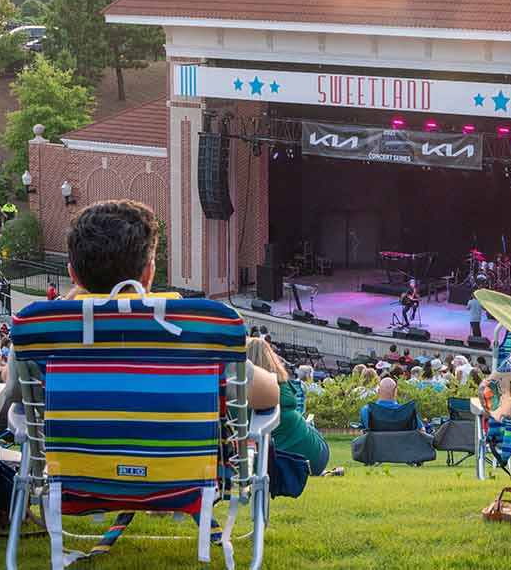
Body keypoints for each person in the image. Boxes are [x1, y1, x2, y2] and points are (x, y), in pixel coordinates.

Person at [66, 199, 281, 411]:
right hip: (180, 446)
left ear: (73, 275)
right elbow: (270, 393)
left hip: (73, 447)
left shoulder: (49, 336)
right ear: (149, 272)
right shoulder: (194, 332)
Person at [246, 337, 331, 478]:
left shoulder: (237, 396)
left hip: (268, 463)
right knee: (306, 426)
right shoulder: (284, 386)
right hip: (314, 459)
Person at [359, 377, 424, 431]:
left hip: (375, 446)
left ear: (378, 391)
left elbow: (364, 432)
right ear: (395, 392)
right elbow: (422, 430)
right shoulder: (406, 411)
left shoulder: (366, 410)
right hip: (403, 446)